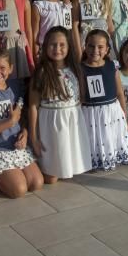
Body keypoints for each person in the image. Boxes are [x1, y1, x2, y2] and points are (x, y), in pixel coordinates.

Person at [29, 26, 91, 183]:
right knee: (51, 178)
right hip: (52, 124)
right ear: (45, 47)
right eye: (52, 44)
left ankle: (67, 165)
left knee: (68, 165)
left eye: (62, 45)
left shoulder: (75, 69)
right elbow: (33, 106)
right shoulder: (42, 72)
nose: (57, 49)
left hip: (72, 120)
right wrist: (34, 138)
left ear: (69, 46)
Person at [0, 50, 42, 197]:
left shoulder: (13, 90)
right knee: (19, 190)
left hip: (16, 147)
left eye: (2, 68)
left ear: (11, 69)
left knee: (36, 184)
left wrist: (25, 133)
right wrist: (10, 122)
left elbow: (20, 119)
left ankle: (13, 173)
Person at [80, 30, 128, 171]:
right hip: (91, 112)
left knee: (109, 136)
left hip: (111, 111)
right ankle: (93, 160)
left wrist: (123, 113)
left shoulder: (112, 66)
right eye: (91, 46)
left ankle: (109, 158)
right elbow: (81, 96)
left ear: (107, 49)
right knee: (94, 138)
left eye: (100, 47)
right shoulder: (81, 68)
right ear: (85, 46)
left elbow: (120, 93)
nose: (95, 50)